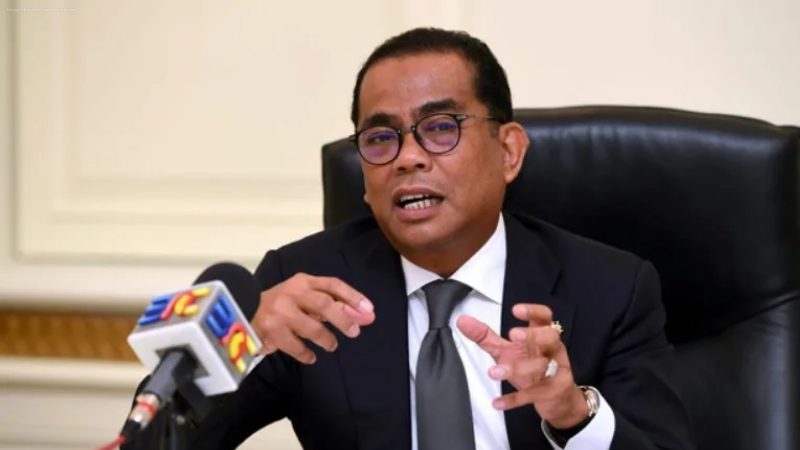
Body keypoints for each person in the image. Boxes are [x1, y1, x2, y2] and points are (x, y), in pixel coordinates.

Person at [125, 27, 692, 450]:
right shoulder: (305, 289)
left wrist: (574, 414)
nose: (408, 158)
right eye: (380, 138)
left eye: (441, 128)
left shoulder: (611, 288)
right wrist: (239, 344)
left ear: (508, 151)